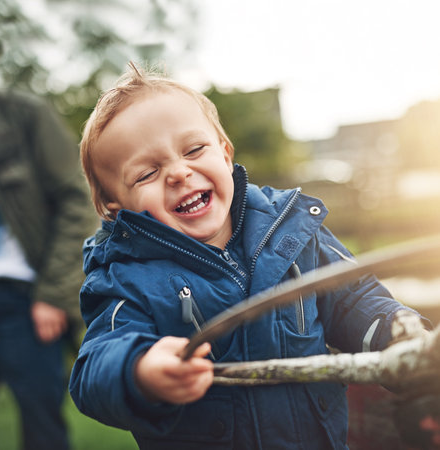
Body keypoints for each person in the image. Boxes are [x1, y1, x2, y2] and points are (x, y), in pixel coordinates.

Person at [69, 63, 428, 449]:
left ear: (224, 153)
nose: (178, 173)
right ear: (115, 207)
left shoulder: (294, 230)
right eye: (146, 174)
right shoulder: (125, 278)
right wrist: (139, 369)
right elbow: (94, 368)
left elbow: (355, 299)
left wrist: (400, 337)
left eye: (193, 149)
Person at [0, 88, 96, 450]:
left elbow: (76, 203)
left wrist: (53, 293)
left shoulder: (24, 114)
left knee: (42, 430)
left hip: (25, 300)